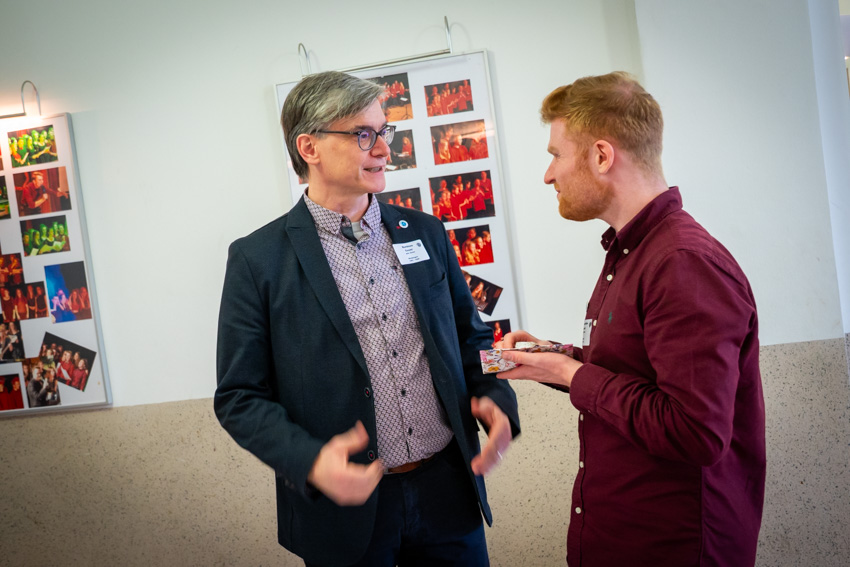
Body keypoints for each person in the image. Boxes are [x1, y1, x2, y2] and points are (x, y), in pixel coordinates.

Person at [215, 71, 520, 567]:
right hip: (344, 511)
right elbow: (238, 397)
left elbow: (475, 338)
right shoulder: (258, 259)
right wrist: (312, 462)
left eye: (384, 132)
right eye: (363, 134)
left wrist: (498, 399)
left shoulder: (425, 232)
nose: (383, 149)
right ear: (309, 147)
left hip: (447, 492)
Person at [497, 72, 765, 567]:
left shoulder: (681, 262)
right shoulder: (634, 252)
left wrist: (571, 374)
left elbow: (694, 431)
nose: (548, 175)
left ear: (601, 156)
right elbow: (638, 370)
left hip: (674, 548)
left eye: (555, 155)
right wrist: (555, 358)